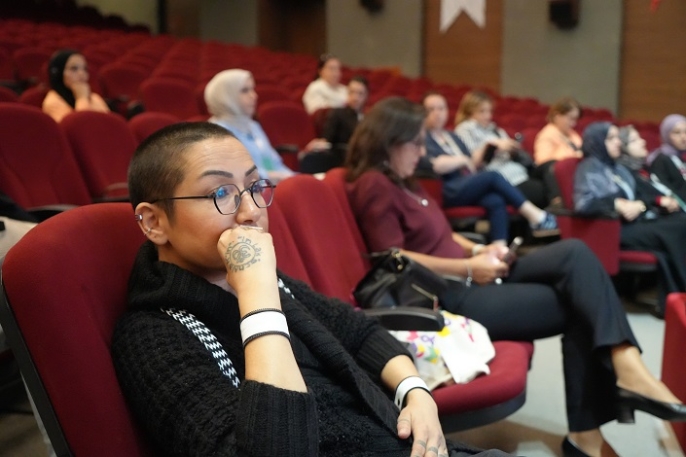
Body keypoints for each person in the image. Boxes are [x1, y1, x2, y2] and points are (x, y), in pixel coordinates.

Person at [111, 121, 509, 457]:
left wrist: (415, 392)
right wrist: (257, 296)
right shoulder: (152, 336)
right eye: (220, 193)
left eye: (254, 187)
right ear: (154, 223)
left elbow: (358, 330)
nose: (251, 211)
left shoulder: (274, 281)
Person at [344, 97, 686, 457]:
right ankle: (592, 428)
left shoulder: (406, 181)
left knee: (575, 253)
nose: (422, 150)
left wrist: (482, 249)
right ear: (388, 141)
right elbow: (394, 257)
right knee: (580, 304)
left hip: (472, 273)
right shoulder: (374, 184)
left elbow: (443, 235)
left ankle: (625, 361)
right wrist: (469, 268)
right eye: (415, 142)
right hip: (451, 296)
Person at [574, 122, 686, 309]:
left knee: (680, 221)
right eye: (611, 138)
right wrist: (616, 204)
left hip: (633, 223)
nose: (618, 142)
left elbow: (639, 198)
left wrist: (640, 206)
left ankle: (677, 297)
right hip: (611, 229)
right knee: (676, 228)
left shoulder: (616, 168)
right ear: (598, 141)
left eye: (617, 138)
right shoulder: (590, 167)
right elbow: (584, 204)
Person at [420, 92, 558, 243]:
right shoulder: (423, 137)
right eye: (431, 109)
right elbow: (436, 165)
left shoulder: (451, 136)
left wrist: (466, 160)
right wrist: (462, 160)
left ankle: (500, 247)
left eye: (441, 108)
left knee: (495, 200)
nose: (437, 113)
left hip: (465, 182)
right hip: (447, 188)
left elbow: (472, 163)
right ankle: (536, 216)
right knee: (492, 175)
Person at [204, 69, 328, 183]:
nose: (254, 96)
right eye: (245, 91)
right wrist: (275, 177)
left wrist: (296, 178)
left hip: (274, 185)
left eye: (252, 89)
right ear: (225, 97)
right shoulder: (216, 132)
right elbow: (236, 175)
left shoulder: (253, 126)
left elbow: (274, 163)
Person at [454, 91, 547, 208]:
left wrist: (512, 149)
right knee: (543, 193)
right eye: (482, 111)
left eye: (490, 111)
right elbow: (472, 163)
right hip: (501, 179)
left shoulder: (495, 130)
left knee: (549, 175)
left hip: (518, 172)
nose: (488, 116)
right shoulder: (465, 129)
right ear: (469, 112)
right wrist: (494, 146)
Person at [42, 49, 110, 123]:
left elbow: (109, 125)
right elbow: (81, 126)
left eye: (85, 69)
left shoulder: (95, 98)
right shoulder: (53, 102)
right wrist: (81, 98)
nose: (81, 74)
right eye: (74, 69)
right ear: (58, 74)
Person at [646, 114, 686, 202]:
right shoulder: (660, 160)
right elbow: (665, 190)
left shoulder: (680, 156)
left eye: (685, 132)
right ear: (666, 134)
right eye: (677, 133)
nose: (683, 137)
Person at [533, 97, 583, 165]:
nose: (574, 124)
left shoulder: (572, 134)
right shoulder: (547, 135)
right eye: (571, 119)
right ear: (557, 116)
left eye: (575, 119)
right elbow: (543, 163)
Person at [322, 75, 369, 146]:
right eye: (352, 92)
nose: (355, 98)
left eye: (360, 93)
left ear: (366, 96)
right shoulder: (337, 114)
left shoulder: (369, 118)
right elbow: (326, 142)